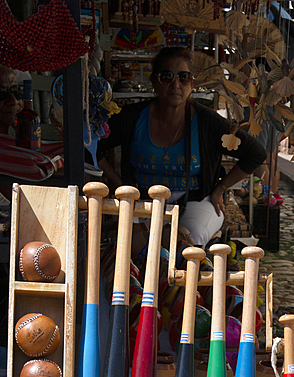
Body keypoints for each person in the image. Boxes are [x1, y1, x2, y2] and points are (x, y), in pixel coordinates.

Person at [97, 46, 267, 247]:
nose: (176, 84)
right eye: (167, 76)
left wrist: (220, 187)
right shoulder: (133, 118)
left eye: (183, 77)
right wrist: (120, 185)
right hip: (142, 201)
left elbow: (255, 153)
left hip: (195, 202)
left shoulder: (207, 123)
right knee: (130, 245)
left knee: (188, 241)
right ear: (154, 81)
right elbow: (93, 146)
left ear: (192, 84)